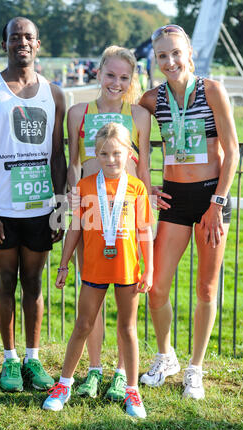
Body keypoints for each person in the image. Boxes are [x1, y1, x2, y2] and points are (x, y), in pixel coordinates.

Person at [138, 24, 239, 399]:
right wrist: (147, 184)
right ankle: (166, 356)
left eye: (176, 53)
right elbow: (128, 128)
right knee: (156, 286)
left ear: (189, 53)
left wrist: (218, 202)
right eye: (162, 55)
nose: (170, 61)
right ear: (155, 60)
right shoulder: (152, 99)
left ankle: (195, 368)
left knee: (206, 287)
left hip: (212, 198)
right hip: (174, 199)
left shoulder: (212, 90)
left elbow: (233, 151)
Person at [0, 17, 67, 392]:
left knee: (34, 283)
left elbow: (58, 156)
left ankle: (33, 358)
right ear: (5, 44)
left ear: (38, 44)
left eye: (28, 37)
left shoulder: (55, 94)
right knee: (6, 281)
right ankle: (10, 360)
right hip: (3, 212)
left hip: (42, 209)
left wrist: (59, 207)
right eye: (15, 37)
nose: (21, 42)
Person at [43, 122, 153, 418]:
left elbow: (144, 231)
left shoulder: (137, 187)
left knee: (127, 330)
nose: (110, 160)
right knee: (83, 325)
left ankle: (132, 390)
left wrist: (150, 269)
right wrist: (64, 263)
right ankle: (63, 385)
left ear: (129, 153)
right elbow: (75, 229)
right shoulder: (85, 186)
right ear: (96, 155)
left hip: (128, 270)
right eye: (103, 154)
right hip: (93, 269)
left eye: (116, 153)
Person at [66, 45, 157, 402]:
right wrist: (71, 201)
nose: (115, 83)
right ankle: (92, 370)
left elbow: (145, 167)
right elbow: (74, 165)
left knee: (126, 299)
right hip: (89, 217)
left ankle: (122, 373)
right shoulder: (77, 113)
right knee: (92, 299)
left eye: (124, 77)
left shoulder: (138, 116)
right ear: (98, 72)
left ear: (131, 80)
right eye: (110, 75)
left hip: (127, 219)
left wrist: (147, 212)